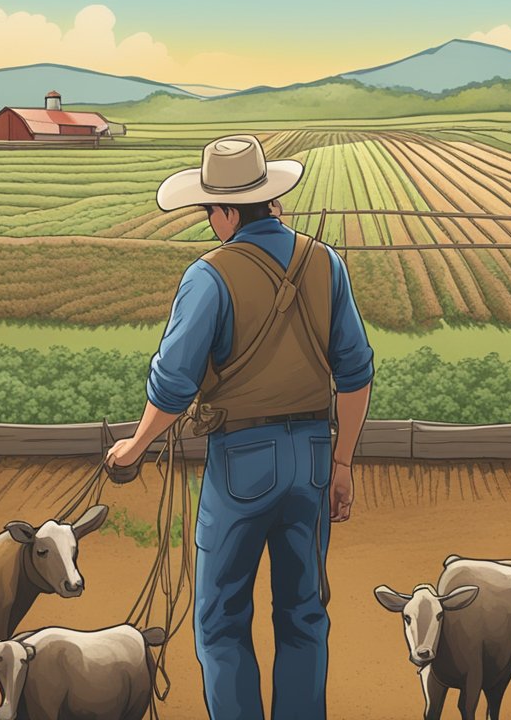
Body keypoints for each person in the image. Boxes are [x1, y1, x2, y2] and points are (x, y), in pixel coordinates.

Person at [104, 134, 374, 720]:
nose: (208, 223)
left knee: (223, 619)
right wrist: (344, 465)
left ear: (227, 211)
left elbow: (173, 383)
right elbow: (356, 374)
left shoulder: (209, 275)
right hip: (312, 457)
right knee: (304, 613)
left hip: (241, 462)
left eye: (209, 212)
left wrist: (135, 447)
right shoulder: (326, 263)